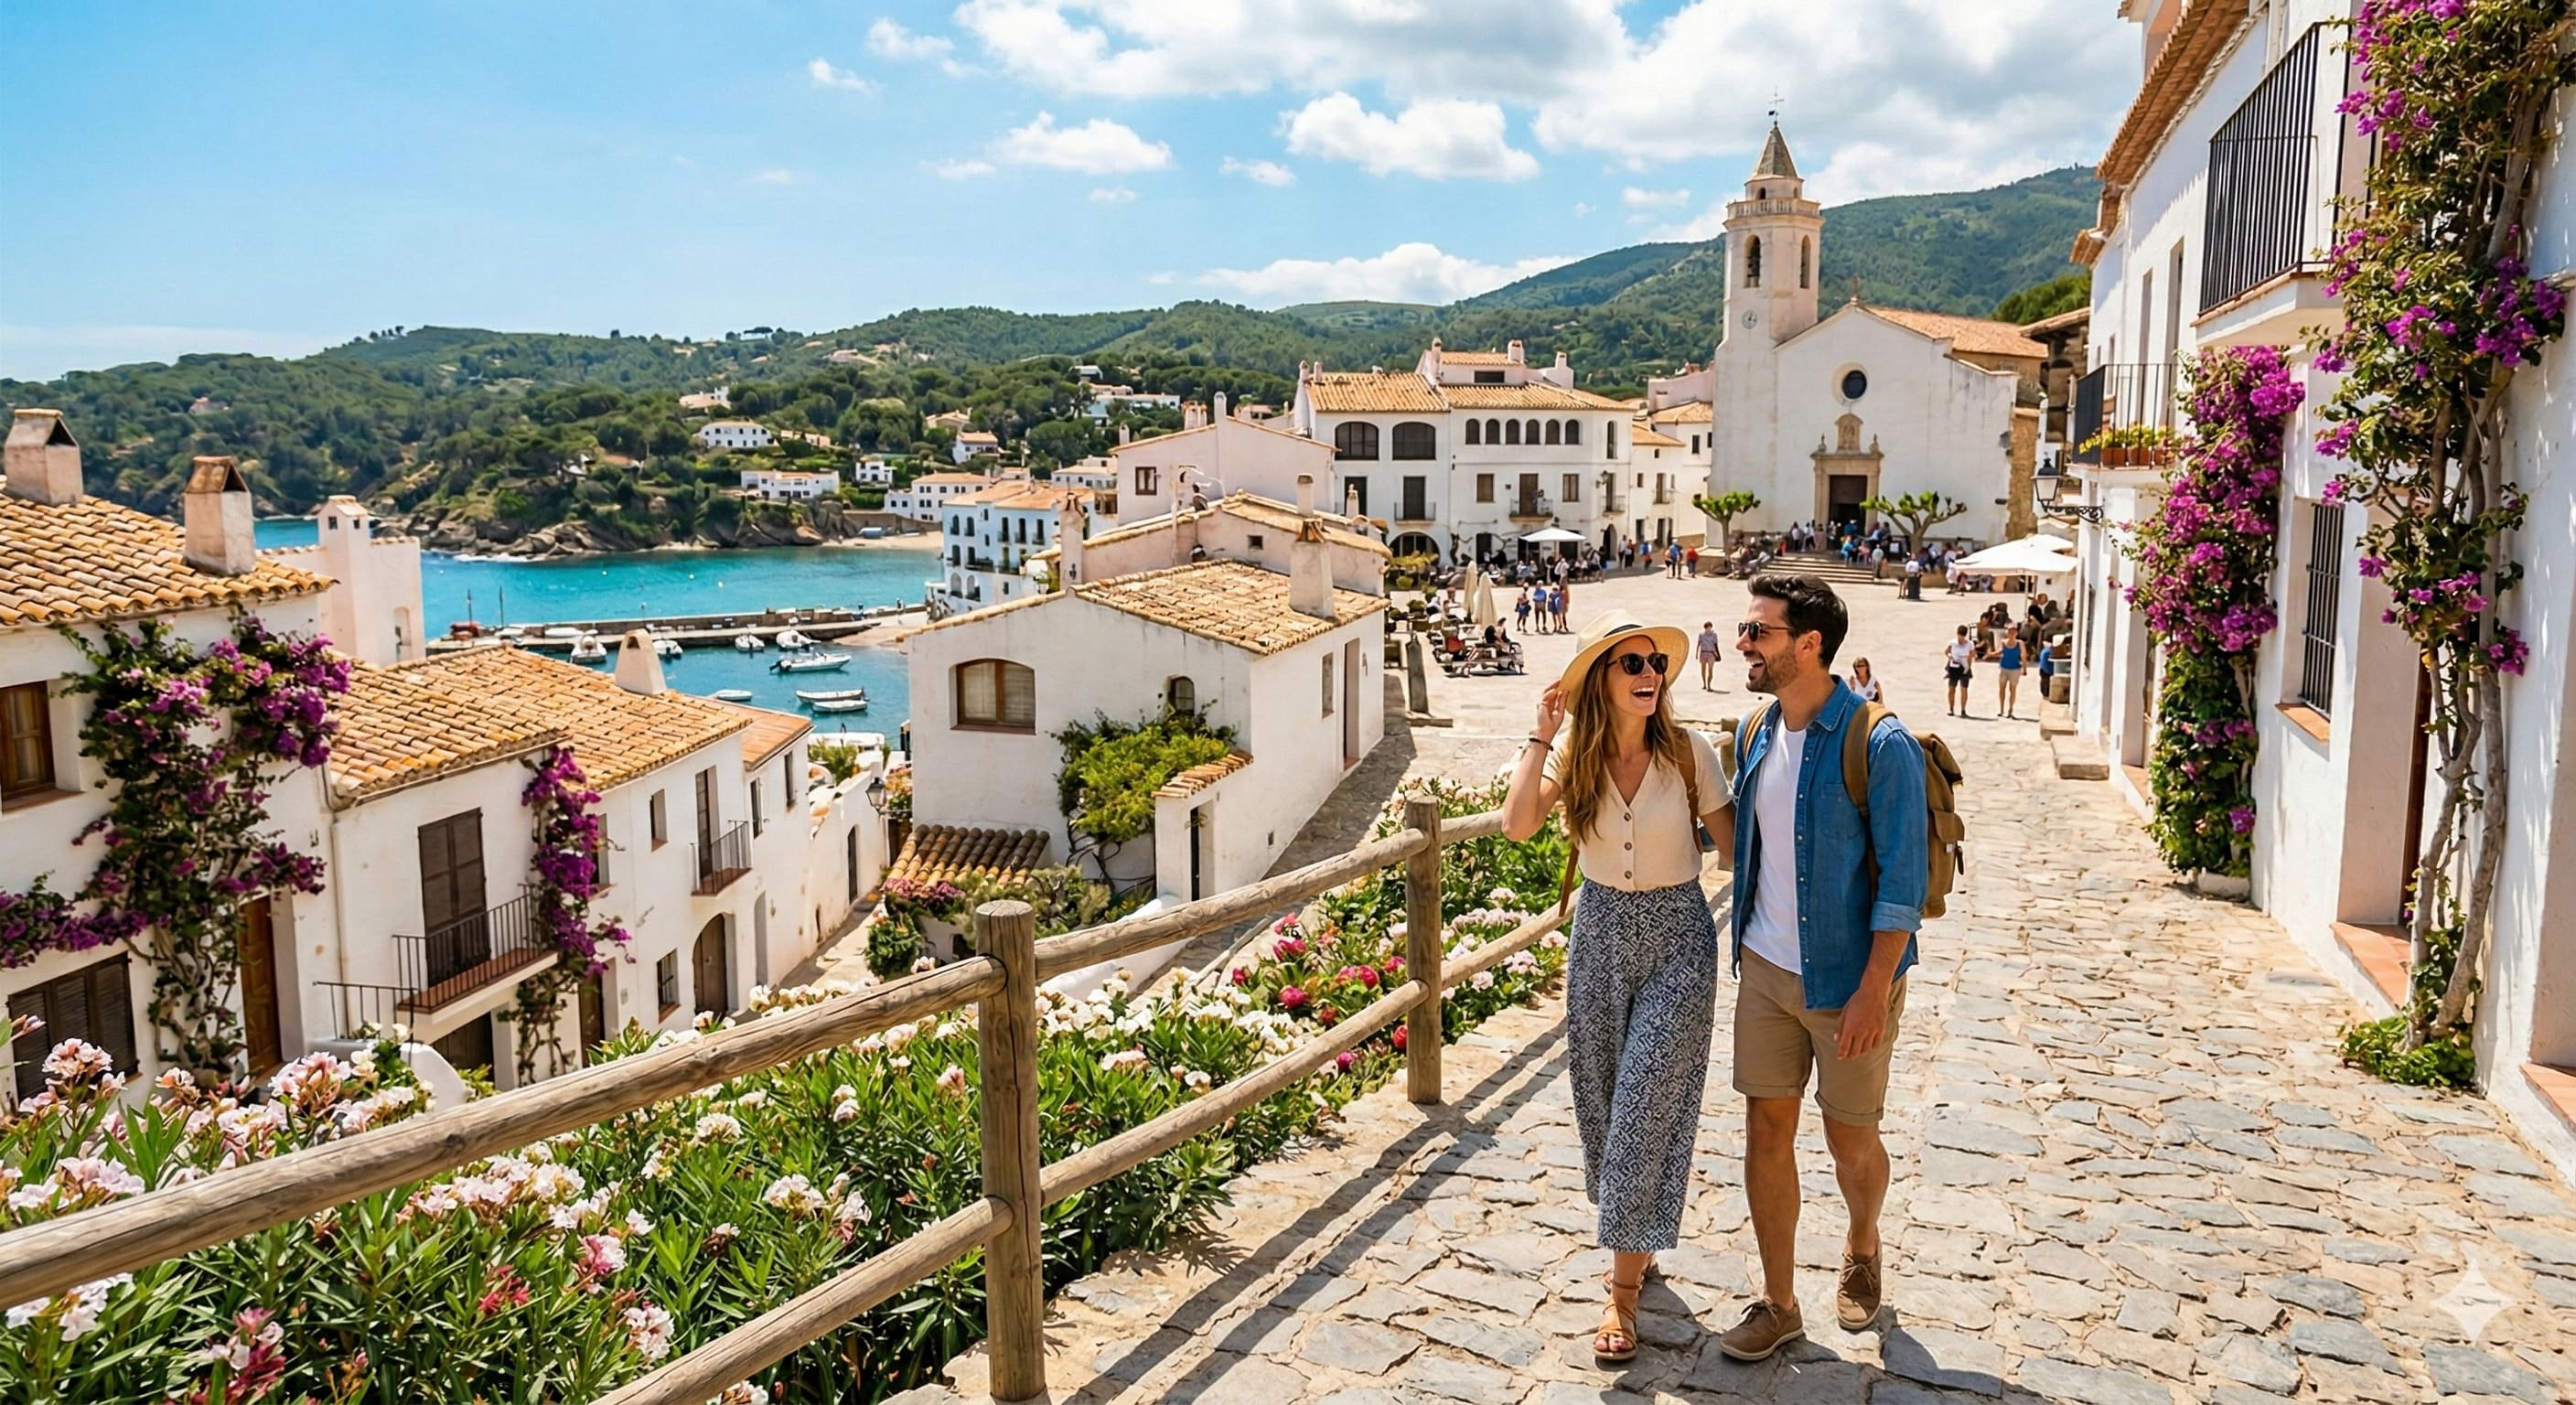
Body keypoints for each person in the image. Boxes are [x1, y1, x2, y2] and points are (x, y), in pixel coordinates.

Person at [1500, 611, 1732, 1367]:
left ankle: (1621, 1293)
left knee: (1641, 1102)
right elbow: (1517, 825)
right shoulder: (1578, 755)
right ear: (1602, 678)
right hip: (1599, 934)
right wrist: (1540, 734)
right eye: (1630, 663)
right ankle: (1639, 1233)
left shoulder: (1690, 753)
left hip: (1677, 940)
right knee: (1600, 1100)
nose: (1648, 674)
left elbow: (1740, 847)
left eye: (1654, 664)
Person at [1718, 574, 1927, 1361]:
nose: (1744, 643)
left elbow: (1902, 886)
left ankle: (1864, 1243)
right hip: (1767, 970)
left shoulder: (1880, 743)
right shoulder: (1753, 732)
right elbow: (1742, 839)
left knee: (1851, 1143)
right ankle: (1778, 1302)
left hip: (1852, 981)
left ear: (1809, 644)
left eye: (1759, 632)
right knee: (1765, 1130)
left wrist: (1875, 989)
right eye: (1746, 629)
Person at [1943, 625, 1975, 717]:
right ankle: (1951, 708)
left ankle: (1963, 709)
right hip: (1954, 667)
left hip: (1964, 667)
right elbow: (1946, 652)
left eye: (1963, 636)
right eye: (1960, 636)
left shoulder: (1970, 644)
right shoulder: (1952, 643)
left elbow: (1972, 654)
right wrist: (1951, 657)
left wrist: (1968, 664)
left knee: (1964, 689)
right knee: (1951, 688)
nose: (1961, 638)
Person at [1995, 633, 2024, 719]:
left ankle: (2010, 710)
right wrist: (1991, 654)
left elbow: (2023, 655)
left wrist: (2025, 667)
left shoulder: (2020, 643)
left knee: (2013, 690)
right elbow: (2000, 651)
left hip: (2015, 669)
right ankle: (2001, 709)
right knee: (2002, 690)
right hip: (2004, 668)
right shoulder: (2003, 642)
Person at [1698, 619, 1724, 692]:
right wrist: (1697, 654)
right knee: (1703, 669)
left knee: (1710, 670)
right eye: (1708, 628)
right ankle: (1704, 684)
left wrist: (1717, 654)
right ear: (1705, 628)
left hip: (1711, 653)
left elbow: (1716, 644)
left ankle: (1709, 685)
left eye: (1710, 627)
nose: (1709, 629)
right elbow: (1699, 644)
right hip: (1703, 653)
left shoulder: (1714, 635)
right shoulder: (1701, 635)